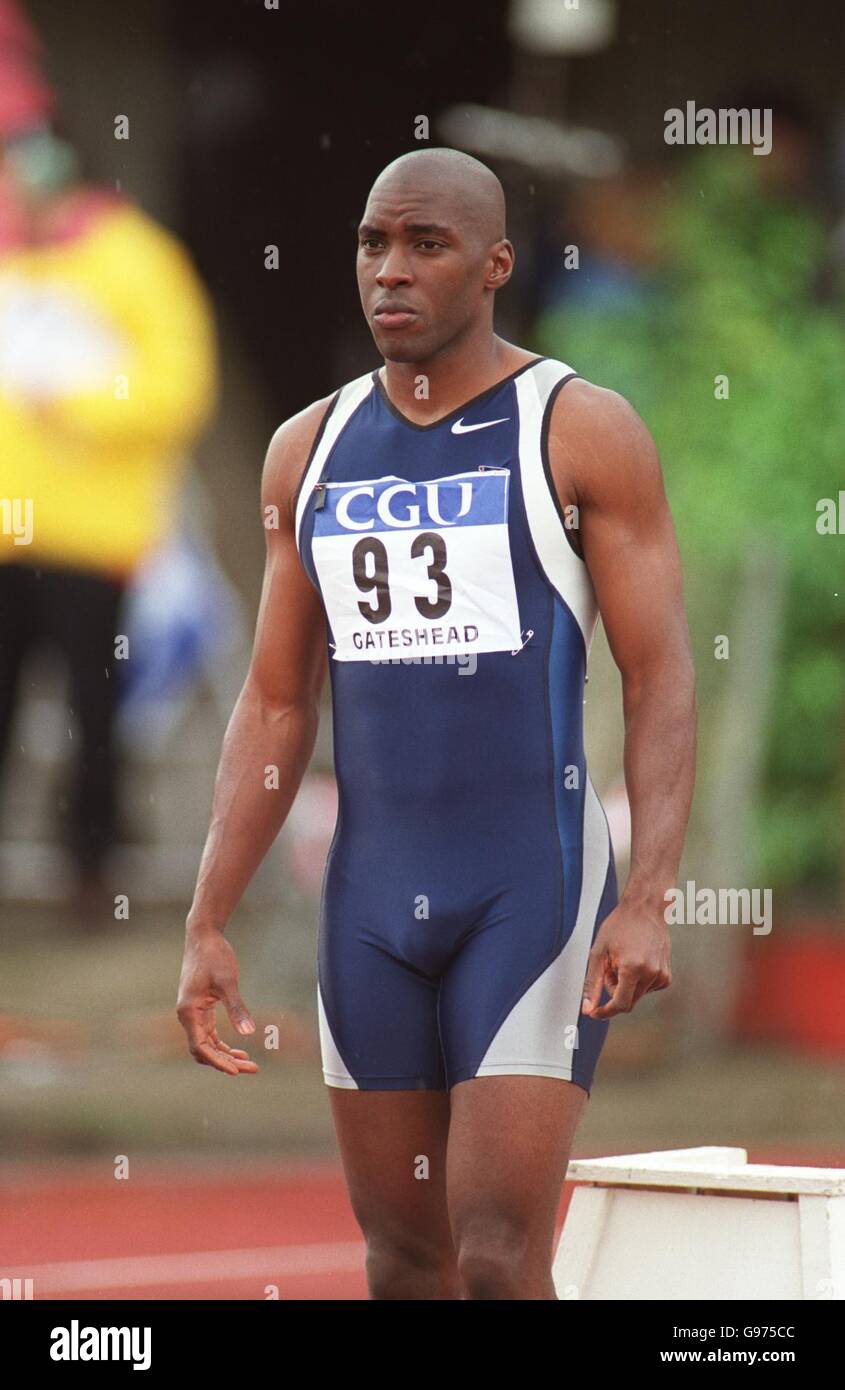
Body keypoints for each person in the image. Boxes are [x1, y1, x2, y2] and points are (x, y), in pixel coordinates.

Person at [177, 147, 697, 1300]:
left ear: (494, 265)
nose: (390, 272)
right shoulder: (306, 451)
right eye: (372, 244)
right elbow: (274, 702)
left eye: (426, 245)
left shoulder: (578, 429)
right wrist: (207, 917)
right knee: (402, 1257)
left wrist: (649, 894)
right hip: (369, 897)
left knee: (498, 1254)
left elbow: (659, 675)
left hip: (533, 883)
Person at [0, 122, 217, 914]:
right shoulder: (12, 257)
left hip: (93, 536)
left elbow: (180, 386)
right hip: (6, 533)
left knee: (95, 713)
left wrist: (79, 407)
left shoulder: (136, 258)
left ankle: (93, 872)